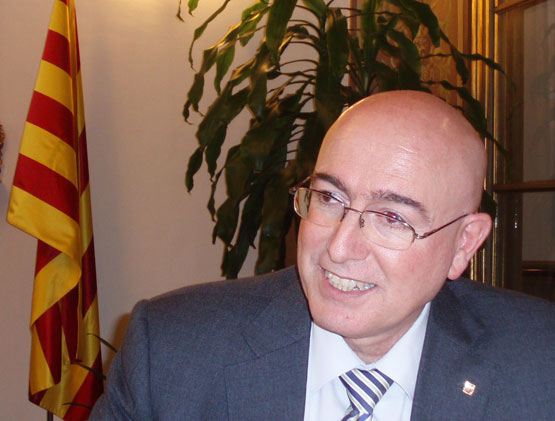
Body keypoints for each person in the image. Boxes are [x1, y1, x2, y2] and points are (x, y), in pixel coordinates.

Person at [90, 91, 555, 420]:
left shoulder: (541, 366)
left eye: (392, 217)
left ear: (464, 244)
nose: (338, 248)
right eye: (330, 198)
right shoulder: (171, 352)